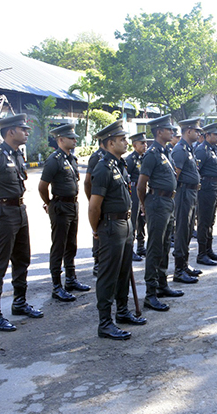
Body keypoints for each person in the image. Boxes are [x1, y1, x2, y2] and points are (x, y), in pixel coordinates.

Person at [0, 114, 43, 332]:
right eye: (23, 129)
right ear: (10, 131)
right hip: (1, 213)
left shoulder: (17, 155)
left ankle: (19, 302)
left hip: (19, 211)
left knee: (22, 259)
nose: (27, 132)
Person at [88, 120, 147, 340]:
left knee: (124, 272)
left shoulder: (119, 165)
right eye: (122, 140)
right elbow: (94, 205)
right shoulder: (103, 167)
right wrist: (96, 229)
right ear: (110, 143)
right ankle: (105, 322)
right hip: (111, 226)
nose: (126, 143)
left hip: (125, 224)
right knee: (108, 276)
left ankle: (122, 312)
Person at [38, 124, 90, 303]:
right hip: (60, 206)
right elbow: (42, 186)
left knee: (71, 244)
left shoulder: (71, 159)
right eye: (71, 138)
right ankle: (56, 285)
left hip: (73, 206)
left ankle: (70, 279)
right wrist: (49, 203)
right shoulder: (54, 160)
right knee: (59, 246)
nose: (75, 140)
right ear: (61, 140)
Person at [136, 115, 183, 312]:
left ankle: (162, 284)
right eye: (168, 129)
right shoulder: (152, 153)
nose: (172, 132)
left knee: (164, 245)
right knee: (155, 247)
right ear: (158, 132)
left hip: (167, 202)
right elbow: (141, 184)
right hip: (156, 202)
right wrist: (144, 205)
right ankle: (150, 293)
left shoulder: (166, 152)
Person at [171, 117, 204, 283]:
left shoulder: (189, 149)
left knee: (189, 230)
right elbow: (175, 175)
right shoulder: (180, 150)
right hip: (183, 193)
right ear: (188, 131)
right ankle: (178, 270)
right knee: (182, 230)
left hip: (191, 193)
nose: (199, 134)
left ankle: (185, 264)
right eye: (196, 131)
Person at [195, 122, 217, 266]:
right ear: (207, 135)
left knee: (211, 220)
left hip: (214, 186)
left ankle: (208, 249)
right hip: (206, 187)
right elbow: (197, 171)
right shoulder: (202, 150)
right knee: (204, 221)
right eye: (216, 134)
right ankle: (202, 254)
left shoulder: (211, 149)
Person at [84, 132, 107, 277]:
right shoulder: (97, 157)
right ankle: (97, 261)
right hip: (98, 199)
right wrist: (91, 199)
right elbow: (87, 182)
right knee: (97, 229)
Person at [125, 133, 148, 261]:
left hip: (142, 189)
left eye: (145, 143)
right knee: (133, 219)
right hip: (133, 190)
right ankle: (131, 249)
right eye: (142, 143)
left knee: (142, 220)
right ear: (134, 145)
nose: (145, 145)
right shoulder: (131, 159)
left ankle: (140, 246)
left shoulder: (144, 158)